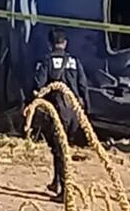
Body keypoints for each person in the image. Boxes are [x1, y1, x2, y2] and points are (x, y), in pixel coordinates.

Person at [32, 29, 90, 201]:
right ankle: (56, 182)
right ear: (65, 43)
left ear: (51, 44)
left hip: (58, 109)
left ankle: (65, 191)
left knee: (60, 149)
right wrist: (87, 111)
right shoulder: (75, 61)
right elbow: (83, 86)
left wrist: (32, 104)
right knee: (62, 147)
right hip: (74, 109)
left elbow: (38, 85)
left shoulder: (47, 61)